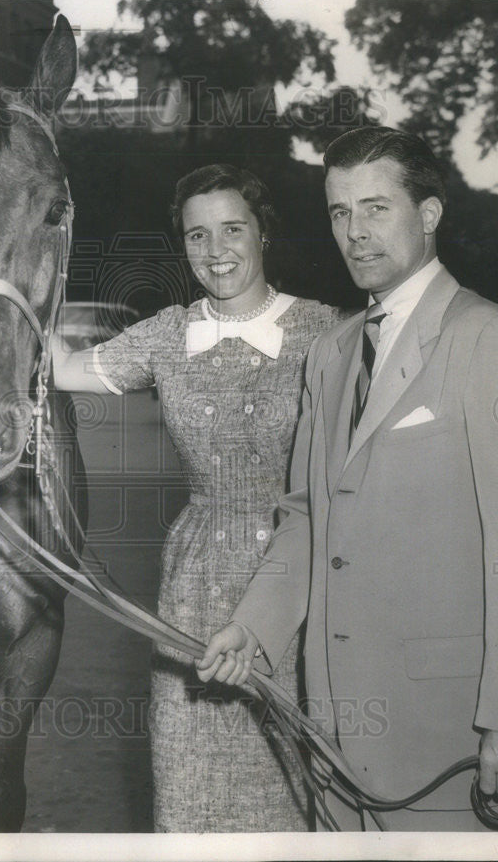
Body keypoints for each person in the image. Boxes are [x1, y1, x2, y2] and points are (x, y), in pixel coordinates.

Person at [197, 128, 498, 831]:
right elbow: (309, 515)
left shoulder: (492, 340)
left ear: (429, 214)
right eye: (339, 212)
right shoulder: (331, 354)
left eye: (375, 208)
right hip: (333, 731)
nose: (354, 232)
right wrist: (254, 628)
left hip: (448, 735)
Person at [53, 164, 342, 831]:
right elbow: (63, 367)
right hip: (192, 587)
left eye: (233, 229)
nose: (217, 251)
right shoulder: (164, 335)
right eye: (197, 235)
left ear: (264, 233)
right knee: (189, 790)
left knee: (291, 791)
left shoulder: (327, 333)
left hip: (300, 580)